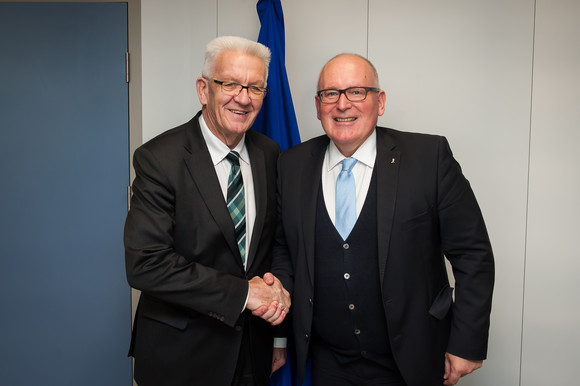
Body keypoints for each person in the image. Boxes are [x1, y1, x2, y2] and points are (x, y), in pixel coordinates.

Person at [271, 53, 494, 386]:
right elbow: (283, 250)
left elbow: (472, 254)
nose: (342, 104)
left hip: (413, 356)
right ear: (318, 107)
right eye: (330, 94)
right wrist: (278, 336)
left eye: (357, 91)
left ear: (381, 101)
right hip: (329, 361)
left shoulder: (428, 158)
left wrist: (466, 343)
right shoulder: (291, 165)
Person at [124, 36, 291, 386]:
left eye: (255, 88)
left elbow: (277, 243)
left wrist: (277, 330)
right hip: (180, 355)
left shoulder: (270, 153)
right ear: (203, 89)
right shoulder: (159, 159)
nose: (243, 98)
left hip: (251, 348)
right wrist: (244, 294)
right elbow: (146, 264)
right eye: (230, 83)